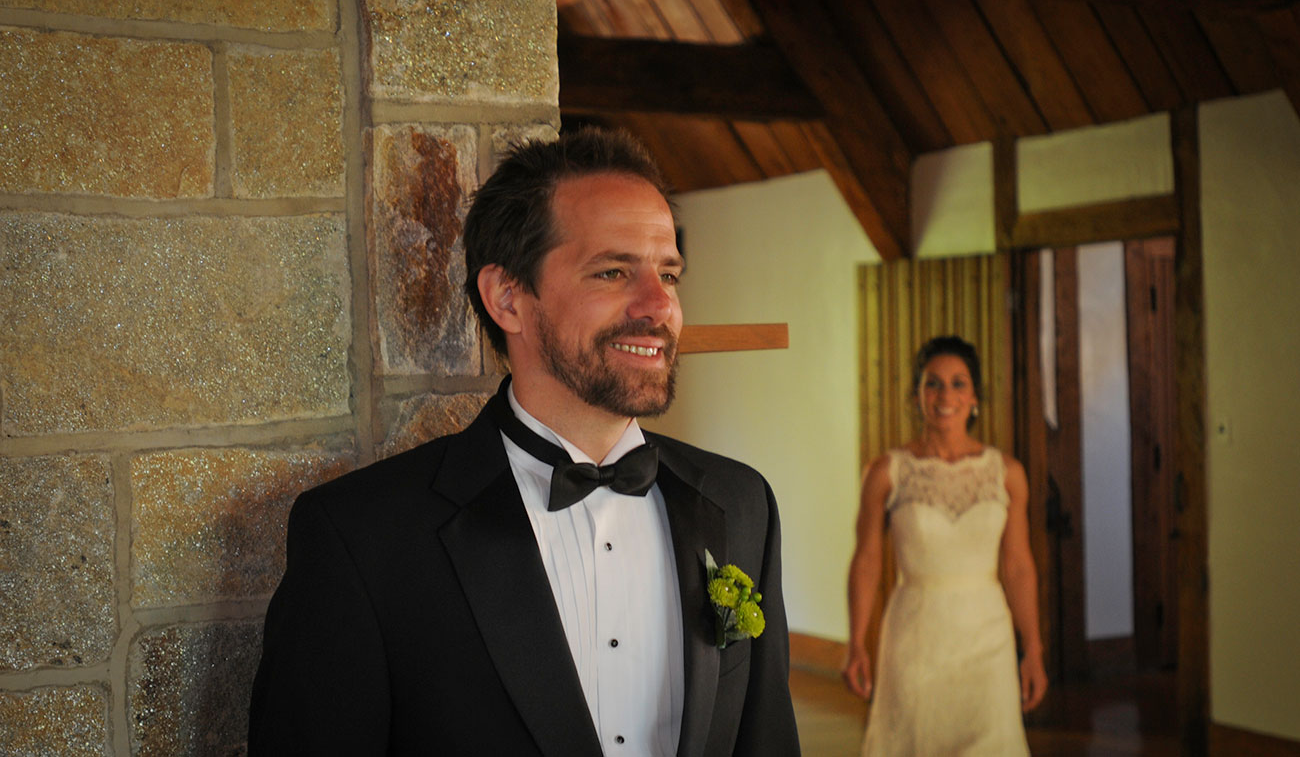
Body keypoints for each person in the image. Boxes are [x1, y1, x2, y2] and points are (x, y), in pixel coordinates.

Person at [248, 128, 800, 756]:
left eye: (669, 274)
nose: (658, 306)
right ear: (508, 298)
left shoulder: (741, 501)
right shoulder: (363, 537)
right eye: (613, 271)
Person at [843, 335, 1047, 756]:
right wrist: (856, 642)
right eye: (932, 383)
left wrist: (1034, 649)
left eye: (958, 383)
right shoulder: (887, 472)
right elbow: (866, 561)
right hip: (915, 637)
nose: (945, 395)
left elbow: (1019, 567)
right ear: (917, 396)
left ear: (975, 396)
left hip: (988, 639)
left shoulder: (1007, 473)